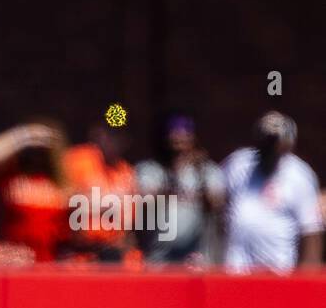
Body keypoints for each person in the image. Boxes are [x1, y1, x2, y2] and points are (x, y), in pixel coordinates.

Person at [221, 111, 322, 273]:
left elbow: (310, 232)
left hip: (278, 273)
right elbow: (217, 206)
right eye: (264, 141)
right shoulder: (238, 165)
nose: (268, 147)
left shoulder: (300, 176)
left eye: (274, 142)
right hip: (236, 272)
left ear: (288, 144)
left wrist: (307, 280)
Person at [133, 114, 225, 264]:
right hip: (158, 257)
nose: (179, 141)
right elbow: (143, 200)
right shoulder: (150, 169)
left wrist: (199, 178)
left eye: (184, 136)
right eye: (174, 136)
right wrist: (173, 178)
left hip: (195, 258)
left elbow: (217, 203)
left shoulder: (207, 171)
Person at [0, 120, 70, 262]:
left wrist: (48, 139)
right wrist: (25, 135)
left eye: (41, 150)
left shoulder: (59, 183)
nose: (36, 155)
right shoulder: (9, 178)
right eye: (32, 149)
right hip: (13, 264)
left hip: (48, 264)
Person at [62, 122, 137, 262]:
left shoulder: (127, 173)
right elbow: (61, 199)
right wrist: (104, 205)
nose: (112, 141)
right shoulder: (78, 159)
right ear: (98, 134)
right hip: (77, 252)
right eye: (109, 134)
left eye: (118, 136)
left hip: (111, 253)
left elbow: (128, 225)